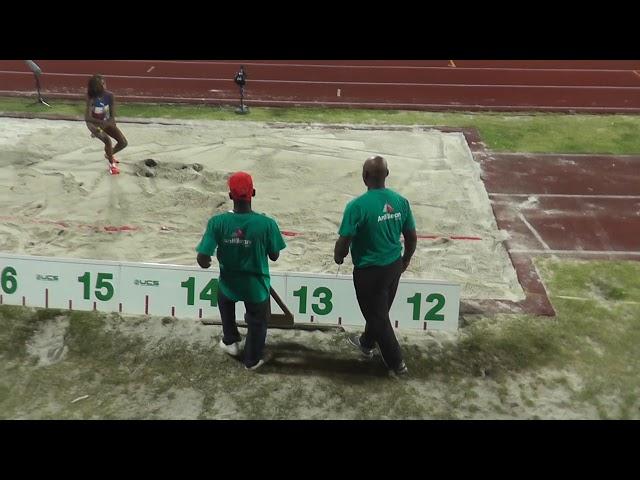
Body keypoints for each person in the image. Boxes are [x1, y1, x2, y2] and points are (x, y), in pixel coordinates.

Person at [334, 155, 417, 376]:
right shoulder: (401, 201)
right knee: (378, 311)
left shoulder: (357, 206)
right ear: (386, 175)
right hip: (393, 266)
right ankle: (366, 343)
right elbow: (411, 236)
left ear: (364, 176)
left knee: (378, 317)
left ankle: (397, 363)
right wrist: (406, 259)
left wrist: (339, 256)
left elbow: (344, 240)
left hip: (369, 271)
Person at [196, 171, 286, 370]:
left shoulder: (217, 223)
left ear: (230, 196)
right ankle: (252, 359)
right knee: (258, 321)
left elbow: (202, 258)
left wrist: (207, 261)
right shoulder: (267, 224)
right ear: (253, 192)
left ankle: (230, 341)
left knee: (224, 299)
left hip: (229, 283)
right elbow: (274, 256)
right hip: (256, 286)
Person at [85, 74, 128, 175]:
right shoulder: (90, 98)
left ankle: (109, 154)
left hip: (105, 121)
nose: (104, 86)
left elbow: (112, 116)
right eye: (102, 84)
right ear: (95, 87)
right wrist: (101, 125)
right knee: (108, 141)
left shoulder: (110, 95)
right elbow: (87, 118)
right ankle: (112, 165)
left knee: (123, 143)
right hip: (93, 124)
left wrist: (109, 123)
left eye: (104, 83)